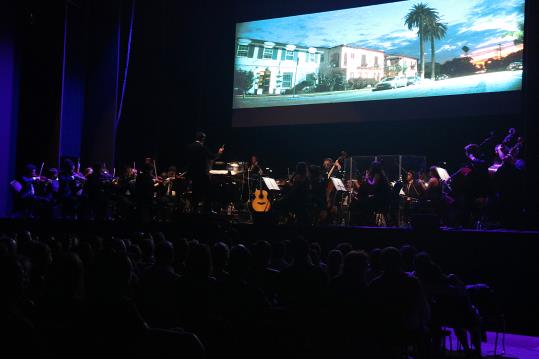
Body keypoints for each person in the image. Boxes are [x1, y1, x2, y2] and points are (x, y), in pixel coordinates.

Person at [186, 132, 224, 214]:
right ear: (203, 138)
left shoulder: (189, 147)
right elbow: (212, 156)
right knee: (208, 192)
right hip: (202, 173)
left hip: (193, 173)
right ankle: (207, 210)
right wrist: (219, 152)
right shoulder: (201, 147)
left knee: (195, 192)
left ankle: (193, 210)